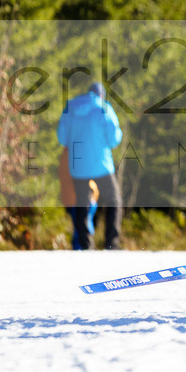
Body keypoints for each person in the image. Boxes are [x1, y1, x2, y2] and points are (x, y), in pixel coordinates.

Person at [57, 81, 124, 250]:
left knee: (82, 202)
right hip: (101, 163)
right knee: (114, 199)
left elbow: (62, 138)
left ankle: (85, 244)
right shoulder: (104, 108)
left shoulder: (70, 108)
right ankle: (112, 243)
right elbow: (114, 139)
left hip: (77, 165)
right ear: (101, 95)